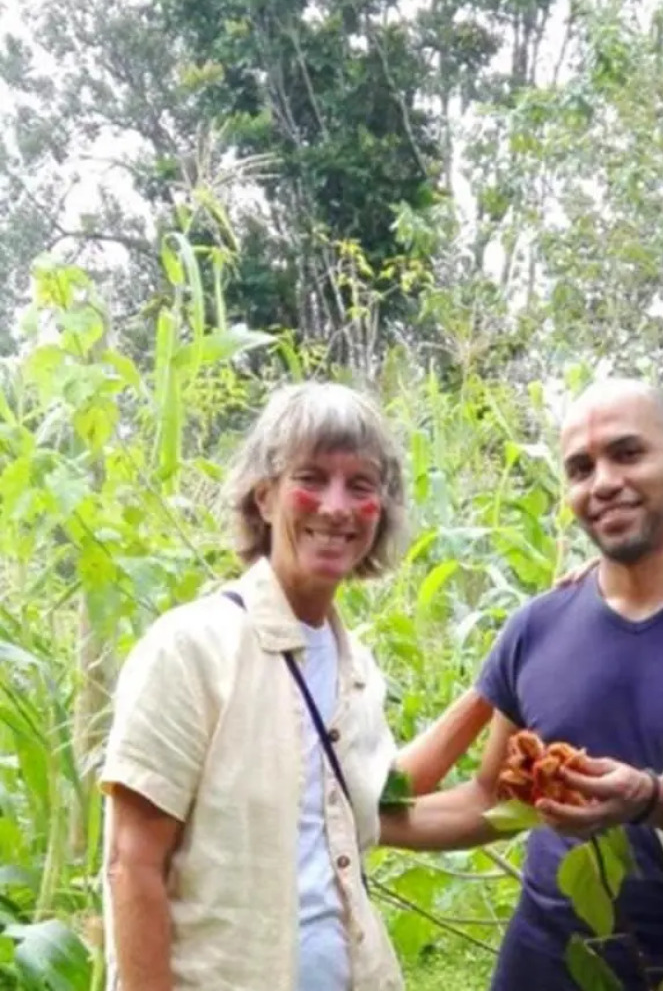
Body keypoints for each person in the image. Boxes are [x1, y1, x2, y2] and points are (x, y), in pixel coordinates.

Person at [380, 378, 663, 990]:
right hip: (541, 968)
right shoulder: (538, 626)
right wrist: (345, 824)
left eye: (628, 453)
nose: (604, 481)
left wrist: (649, 798)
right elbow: (489, 800)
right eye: (581, 468)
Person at [100, 383, 492, 991]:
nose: (336, 508)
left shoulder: (354, 665)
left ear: (380, 513)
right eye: (312, 478)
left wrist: (500, 682)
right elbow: (133, 864)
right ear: (263, 497)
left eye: (361, 487)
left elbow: (381, 798)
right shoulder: (193, 648)